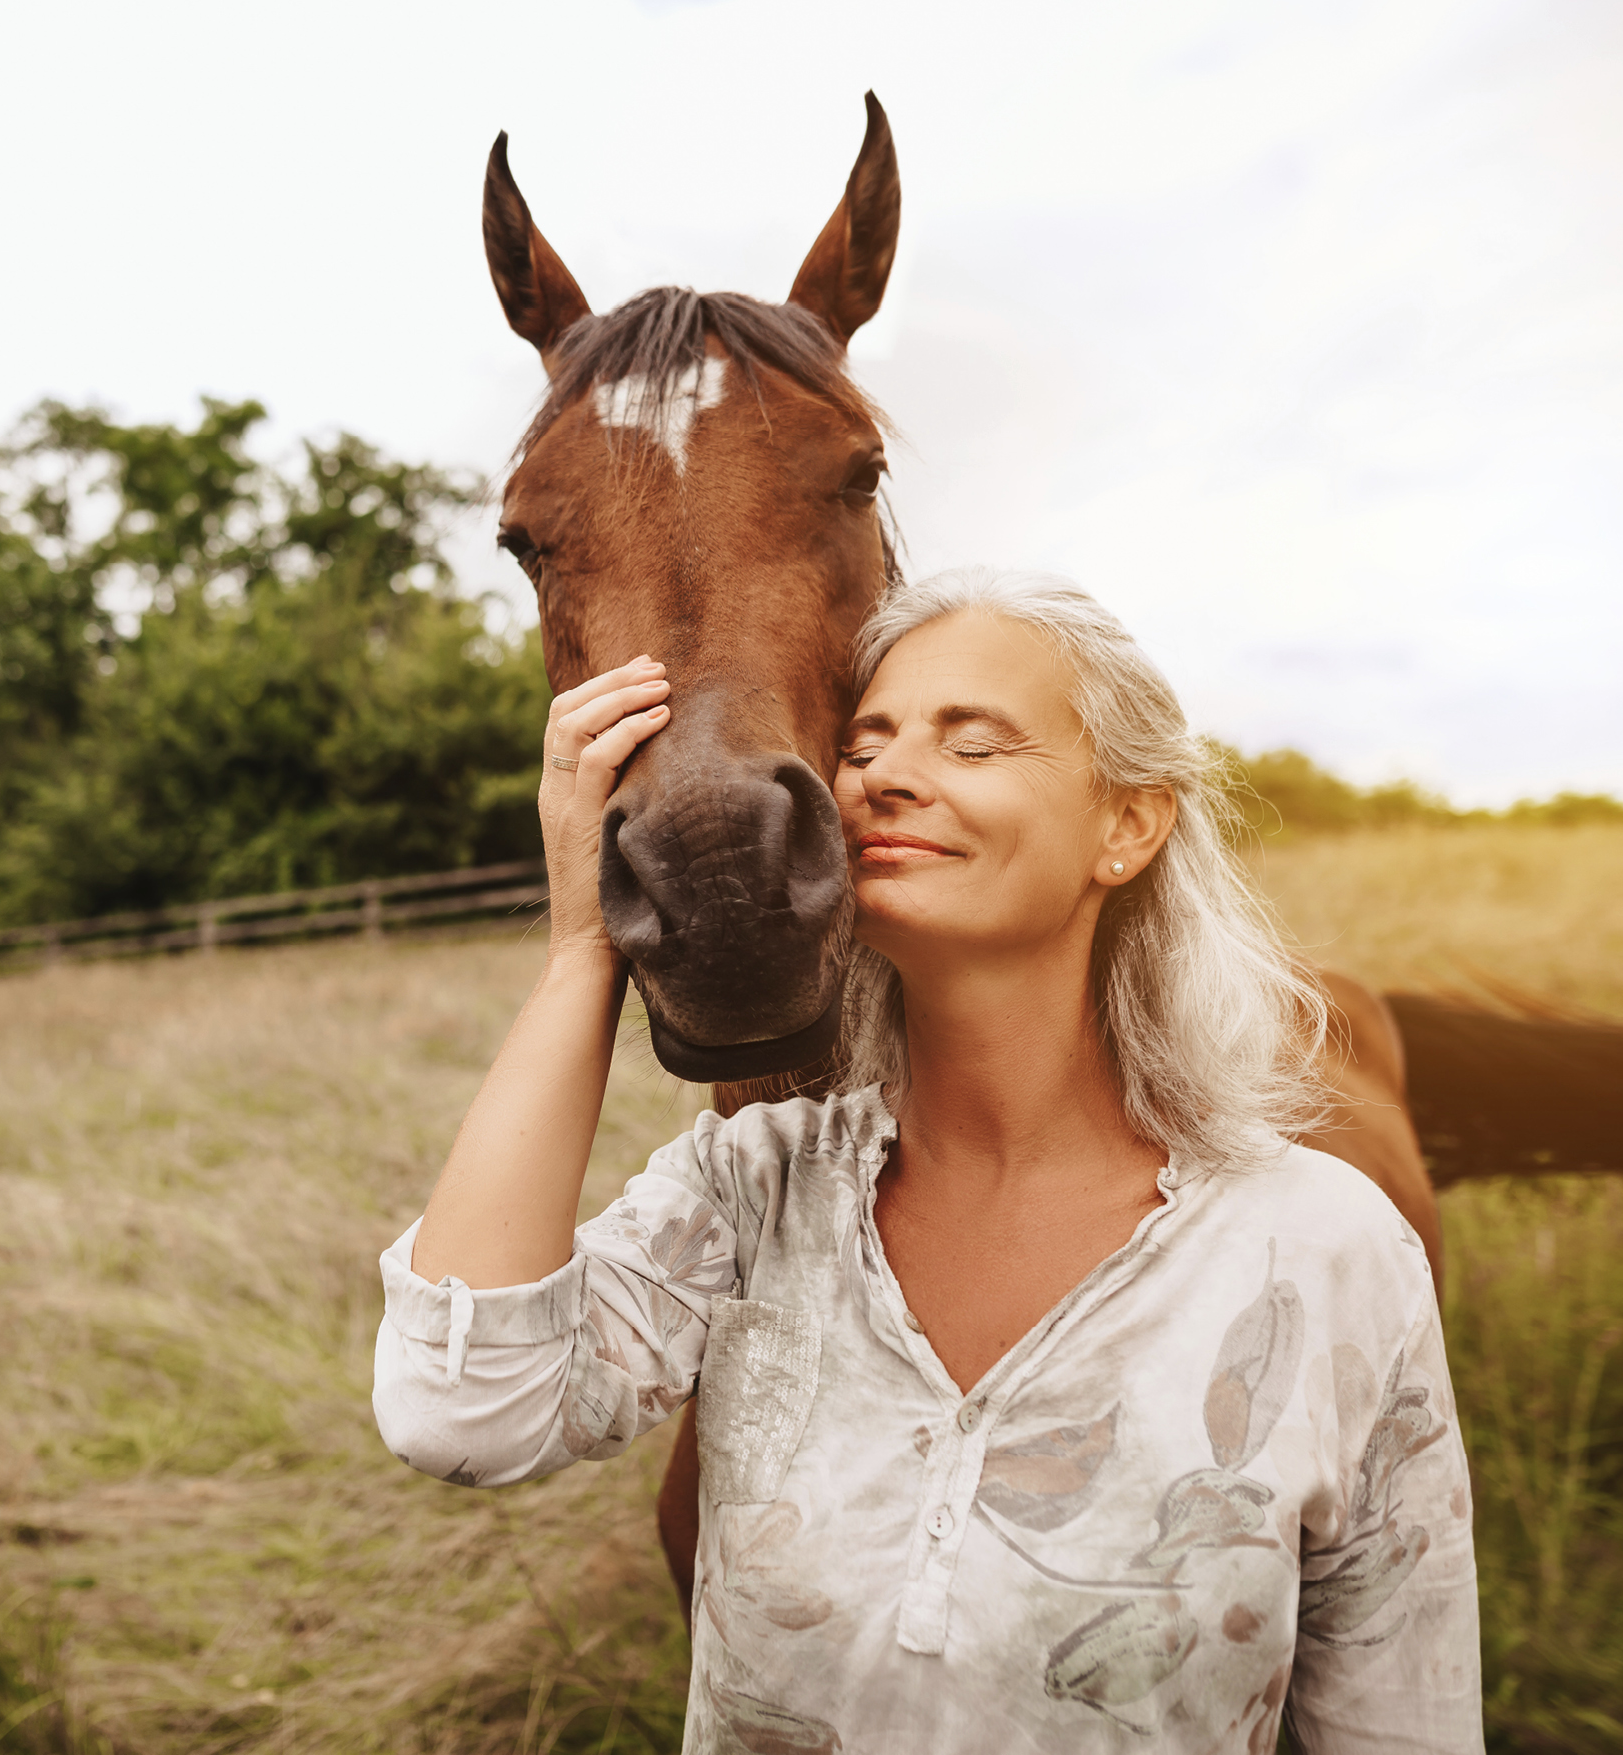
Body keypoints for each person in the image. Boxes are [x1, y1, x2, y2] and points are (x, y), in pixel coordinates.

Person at [374, 569, 1482, 1751]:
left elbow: (1403, 1722)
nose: (885, 777)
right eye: (863, 747)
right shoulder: (753, 1193)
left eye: (973, 742)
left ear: (1128, 826)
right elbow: (461, 1412)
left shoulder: (1326, 1247)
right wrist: (584, 948)